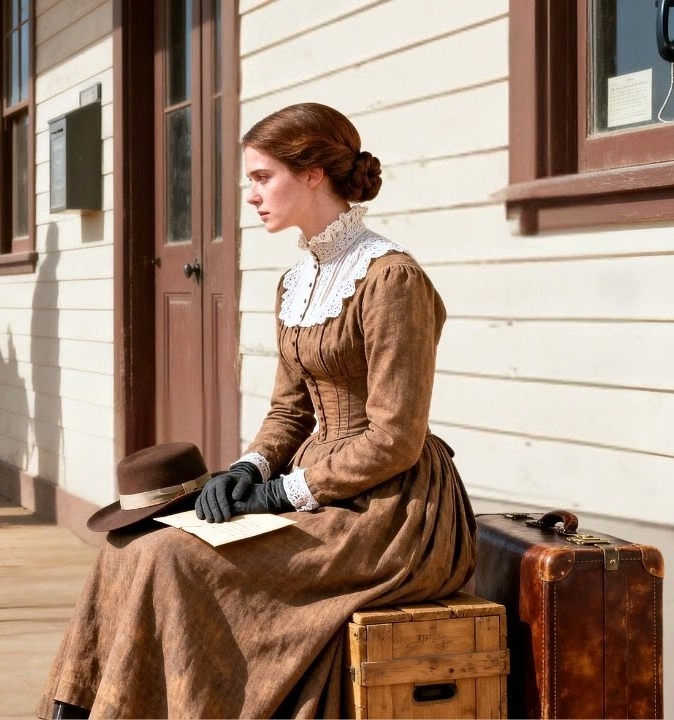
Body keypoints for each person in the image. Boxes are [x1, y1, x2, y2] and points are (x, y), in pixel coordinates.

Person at [39, 103, 476, 718]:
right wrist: (250, 468)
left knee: (174, 560)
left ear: (314, 175)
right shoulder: (300, 279)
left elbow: (395, 438)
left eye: (262, 177)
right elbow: (289, 411)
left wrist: (285, 493)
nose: (251, 195)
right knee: (134, 547)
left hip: (392, 510)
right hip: (318, 487)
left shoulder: (390, 279)